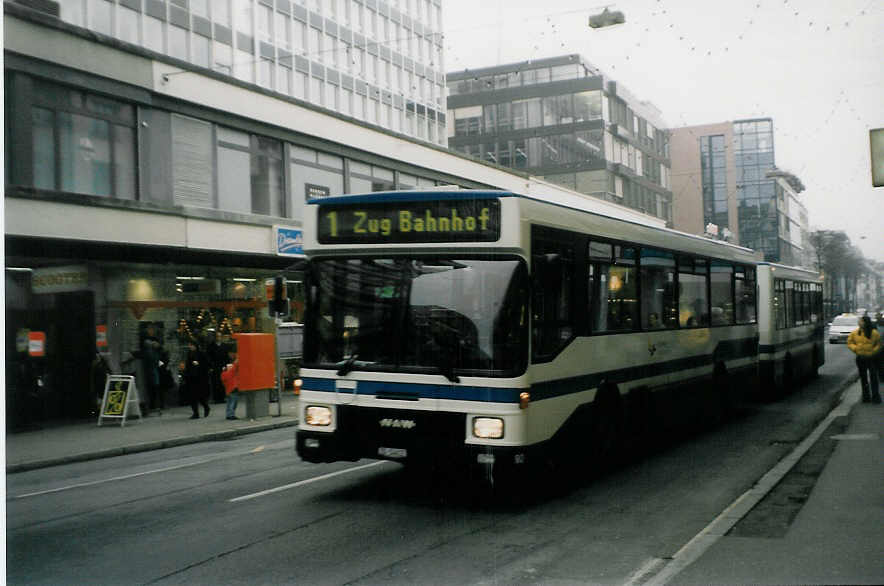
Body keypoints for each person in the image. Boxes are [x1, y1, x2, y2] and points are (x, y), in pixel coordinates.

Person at [846, 315, 882, 404]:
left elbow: (879, 344)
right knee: (863, 378)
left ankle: (875, 396)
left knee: (873, 377)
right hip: (861, 358)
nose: (859, 322)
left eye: (861, 321)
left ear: (865, 322)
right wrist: (855, 349)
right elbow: (849, 342)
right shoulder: (855, 333)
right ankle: (866, 397)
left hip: (872, 358)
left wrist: (873, 351)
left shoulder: (874, 333)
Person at [183, 340, 211, 419]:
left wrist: (199, 364)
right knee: (192, 396)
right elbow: (188, 365)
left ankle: (206, 407)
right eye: (189, 345)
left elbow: (207, 364)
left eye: (191, 345)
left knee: (200, 396)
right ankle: (196, 413)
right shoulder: (189, 354)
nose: (190, 347)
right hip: (191, 378)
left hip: (200, 378)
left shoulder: (201, 354)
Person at [220, 344, 240, 420]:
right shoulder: (236, 362)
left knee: (230, 400)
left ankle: (229, 414)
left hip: (229, 383)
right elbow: (233, 371)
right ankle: (231, 414)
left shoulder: (229, 361)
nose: (231, 355)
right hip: (233, 383)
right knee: (233, 400)